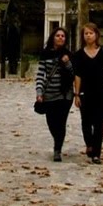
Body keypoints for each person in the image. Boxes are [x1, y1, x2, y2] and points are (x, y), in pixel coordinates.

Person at [72, 22, 103, 164]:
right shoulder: (79, 55)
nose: (88, 36)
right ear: (83, 36)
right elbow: (77, 75)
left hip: (101, 92)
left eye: (91, 33)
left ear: (96, 35)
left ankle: (96, 153)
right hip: (86, 92)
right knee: (86, 121)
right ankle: (89, 144)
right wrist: (77, 94)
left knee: (99, 123)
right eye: (86, 33)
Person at [34, 27, 74, 162]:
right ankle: (57, 140)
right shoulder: (45, 54)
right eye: (58, 35)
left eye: (63, 36)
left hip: (65, 94)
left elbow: (74, 74)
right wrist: (39, 92)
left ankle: (57, 150)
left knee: (61, 123)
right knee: (52, 123)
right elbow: (40, 75)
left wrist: (67, 62)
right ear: (53, 37)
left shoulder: (68, 54)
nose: (60, 38)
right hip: (49, 94)